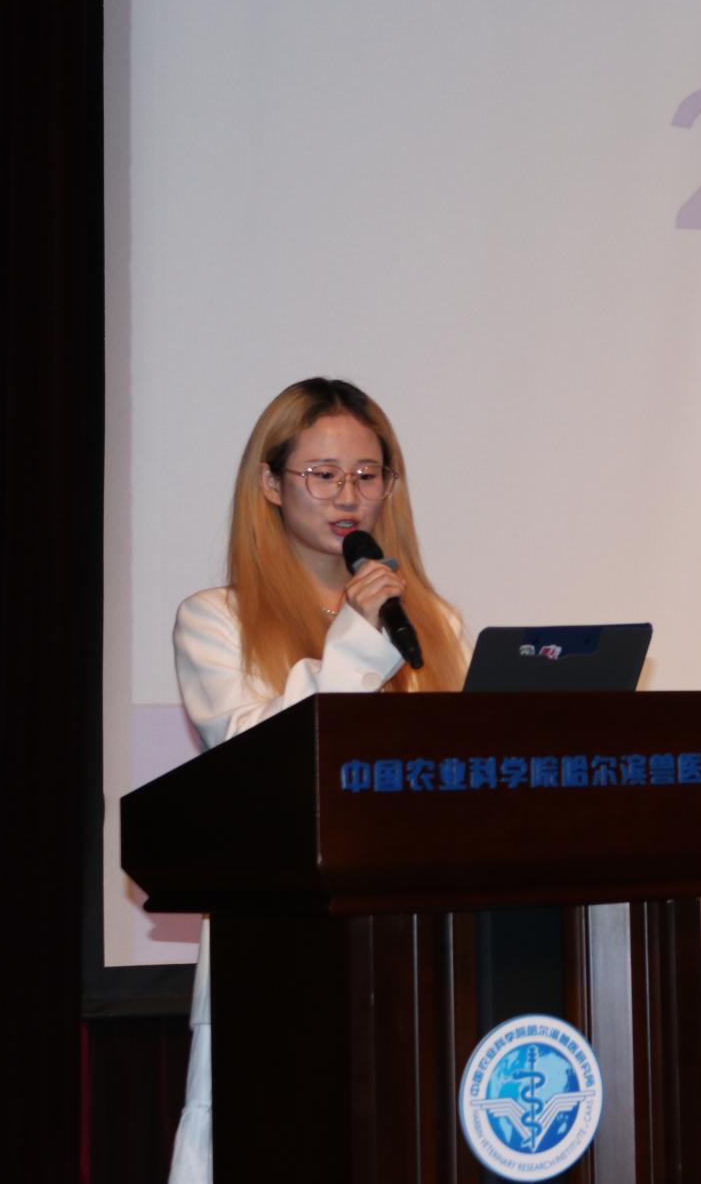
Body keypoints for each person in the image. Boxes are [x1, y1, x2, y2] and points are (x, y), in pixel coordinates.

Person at [166, 377, 468, 1184]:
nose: (348, 496)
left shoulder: (434, 623)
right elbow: (253, 760)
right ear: (271, 484)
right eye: (322, 474)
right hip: (281, 943)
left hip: (414, 937)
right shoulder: (216, 619)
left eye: (368, 475)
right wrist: (355, 648)